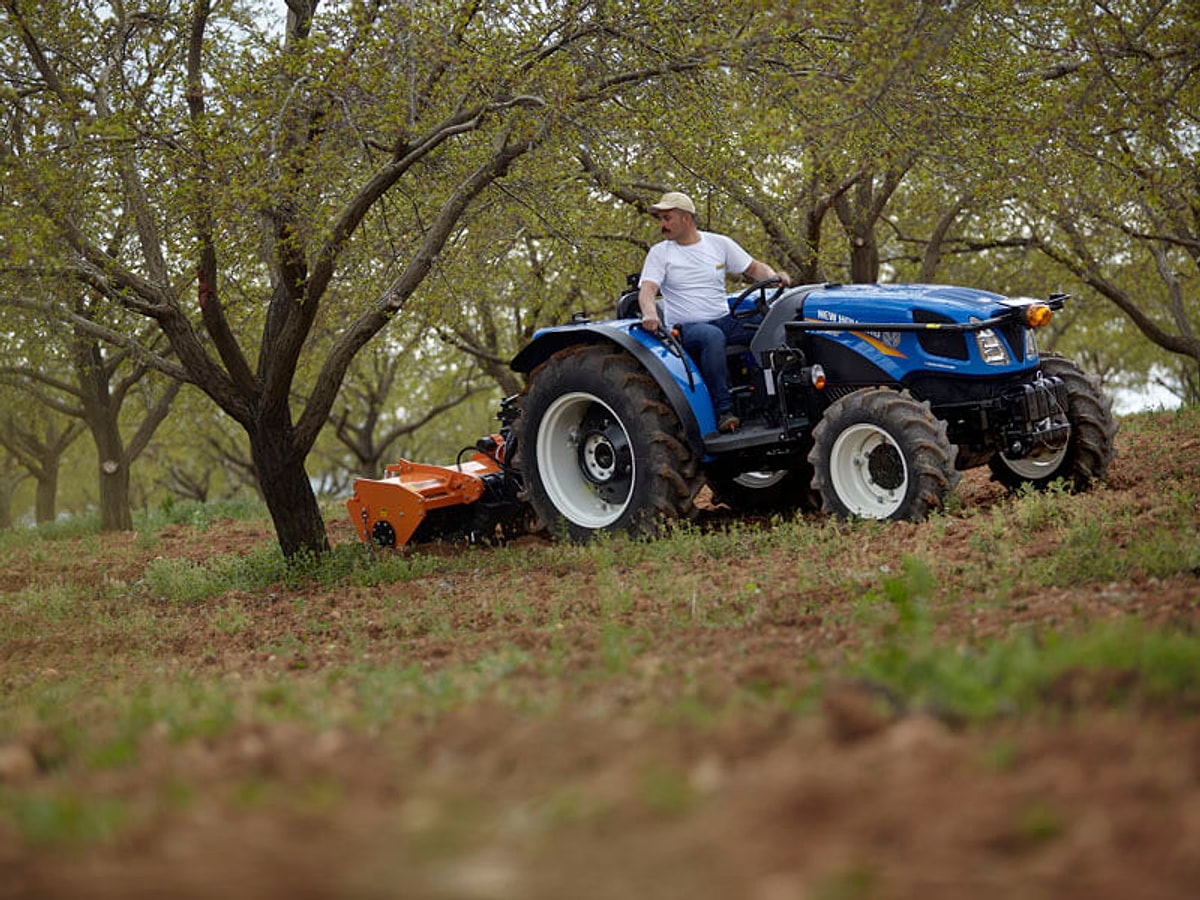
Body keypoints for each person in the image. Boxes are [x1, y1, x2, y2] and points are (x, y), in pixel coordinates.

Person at [637, 191, 791, 433]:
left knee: (767, 324)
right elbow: (647, 290)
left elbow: (754, 268)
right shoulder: (660, 253)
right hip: (687, 328)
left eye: (667, 218)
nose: (662, 225)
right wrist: (650, 313)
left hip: (723, 319)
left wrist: (774, 277)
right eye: (661, 219)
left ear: (686, 219)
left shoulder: (718, 244)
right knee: (712, 337)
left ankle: (775, 398)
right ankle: (724, 411)